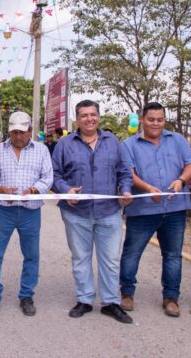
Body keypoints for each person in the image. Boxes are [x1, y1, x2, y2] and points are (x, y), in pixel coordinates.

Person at [52, 100, 134, 324]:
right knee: (81, 258)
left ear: (99, 117)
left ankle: (110, 303)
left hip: (109, 212)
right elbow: (54, 175)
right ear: (76, 119)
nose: (89, 118)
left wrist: (125, 190)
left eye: (93, 114)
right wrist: (65, 190)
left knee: (110, 260)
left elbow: (124, 172)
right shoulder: (65, 144)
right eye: (84, 115)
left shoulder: (113, 142)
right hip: (76, 212)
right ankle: (84, 300)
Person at [119, 102, 191, 317]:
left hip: (175, 209)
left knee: (172, 256)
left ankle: (171, 298)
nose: (155, 123)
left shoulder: (178, 140)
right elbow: (129, 173)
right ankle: (127, 293)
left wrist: (181, 180)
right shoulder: (128, 145)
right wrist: (146, 188)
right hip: (142, 210)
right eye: (151, 119)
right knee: (132, 253)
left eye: (160, 119)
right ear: (142, 120)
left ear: (164, 120)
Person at [0, 111, 53, 317]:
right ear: (9, 132)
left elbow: (48, 177)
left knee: (31, 255)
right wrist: (0, 189)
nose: (18, 137)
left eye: (22, 132)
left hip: (30, 212)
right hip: (3, 210)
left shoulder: (41, 150)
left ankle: (26, 295)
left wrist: (33, 190)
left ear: (30, 131)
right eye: (14, 133)